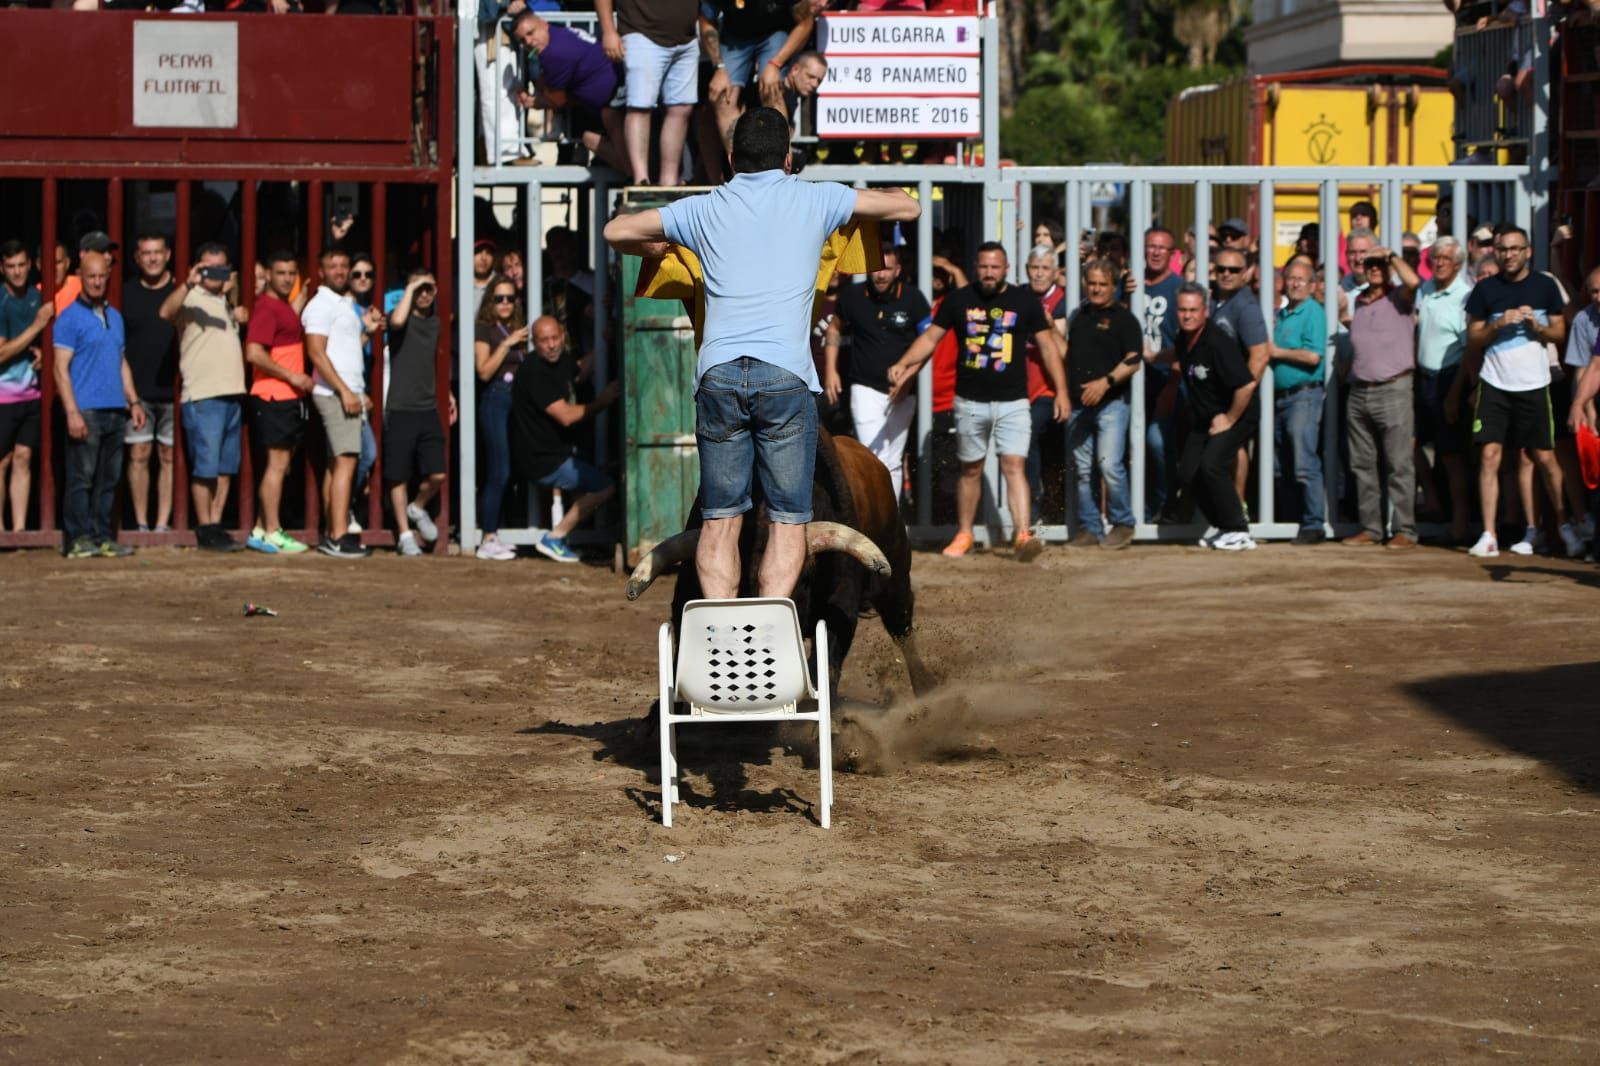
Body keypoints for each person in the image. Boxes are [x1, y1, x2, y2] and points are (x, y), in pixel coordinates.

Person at [602, 107, 920, 598]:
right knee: (791, 521)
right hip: (785, 377)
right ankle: (772, 619)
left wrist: (654, 250)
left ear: (730, 159)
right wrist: (892, 193)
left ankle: (722, 629)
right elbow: (907, 210)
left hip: (719, 377)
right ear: (788, 159)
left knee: (720, 521)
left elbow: (616, 231)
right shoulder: (818, 200)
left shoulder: (701, 208)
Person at [888, 241, 1068, 561]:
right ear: (975, 267)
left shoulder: (1024, 301)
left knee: (1015, 466)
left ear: (1006, 268)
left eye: (994, 267)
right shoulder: (958, 300)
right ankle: (965, 532)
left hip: (1014, 401)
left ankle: (1022, 534)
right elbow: (930, 338)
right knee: (971, 469)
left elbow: (1048, 348)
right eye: (983, 266)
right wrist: (904, 362)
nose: (988, 273)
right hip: (970, 401)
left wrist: (1062, 392)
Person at [1463, 225, 1583, 558]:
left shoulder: (1544, 285)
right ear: (1495, 252)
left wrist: (1538, 328)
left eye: (1516, 248)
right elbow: (1472, 337)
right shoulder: (1485, 290)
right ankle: (1489, 534)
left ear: (1528, 251)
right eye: (1503, 249)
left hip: (1535, 383)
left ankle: (1562, 525)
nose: (1509, 255)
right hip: (1494, 382)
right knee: (1489, 456)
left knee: (1545, 456)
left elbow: (1561, 332)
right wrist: (1497, 325)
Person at [54, 249, 145, 558]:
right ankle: (77, 538)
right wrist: (72, 412)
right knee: (82, 478)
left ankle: (101, 536)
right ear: (80, 277)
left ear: (108, 277)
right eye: (89, 276)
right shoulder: (69, 318)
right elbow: (59, 369)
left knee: (108, 479)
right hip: (86, 410)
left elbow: (121, 362)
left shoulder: (115, 317)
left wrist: (133, 401)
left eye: (100, 276)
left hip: (115, 409)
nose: (95, 282)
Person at [512, 315, 622, 562]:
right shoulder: (534, 371)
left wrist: (605, 343)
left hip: (559, 450)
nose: (551, 344)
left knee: (592, 472)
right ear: (534, 343)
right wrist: (602, 402)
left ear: (562, 337)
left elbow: (579, 371)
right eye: (544, 340)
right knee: (605, 487)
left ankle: (578, 538)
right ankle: (555, 537)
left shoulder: (559, 360)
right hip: (541, 458)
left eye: (555, 338)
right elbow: (566, 416)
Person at [163, 244, 247, 552]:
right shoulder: (191, 297)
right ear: (199, 267)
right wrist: (188, 282)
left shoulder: (226, 300)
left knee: (226, 467)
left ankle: (216, 523)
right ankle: (205, 527)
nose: (215, 274)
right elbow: (165, 312)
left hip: (233, 393)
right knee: (205, 466)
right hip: (203, 395)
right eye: (208, 268)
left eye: (221, 268)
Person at [823, 245, 929, 484]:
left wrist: (908, 377)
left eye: (888, 269)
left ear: (898, 270)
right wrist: (831, 370)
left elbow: (928, 342)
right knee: (873, 457)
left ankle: (893, 520)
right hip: (865, 387)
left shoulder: (913, 298)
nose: (881, 275)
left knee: (893, 460)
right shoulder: (852, 296)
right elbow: (834, 328)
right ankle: (875, 520)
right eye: (877, 269)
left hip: (903, 390)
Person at [303, 247, 380, 559]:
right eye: (332, 266)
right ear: (321, 272)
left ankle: (334, 532)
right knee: (346, 463)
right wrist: (346, 392)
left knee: (339, 465)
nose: (339, 271)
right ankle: (338, 535)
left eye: (343, 265)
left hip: (345, 392)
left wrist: (356, 390)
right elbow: (316, 352)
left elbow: (342, 350)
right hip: (334, 394)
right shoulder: (321, 304)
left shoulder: (341, 304)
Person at [1059, 258, 1141, 549]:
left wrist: (1105, 382)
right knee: (1083, 470)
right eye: (1091, 283)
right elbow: (1069, 354)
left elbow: (1134, 360)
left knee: (1109, 466)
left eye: (1102, 284)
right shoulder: (1078, 316)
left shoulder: (1125, 319)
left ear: (1114, 287)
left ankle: (1123, 523)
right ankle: (1090, 528)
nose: (1096, 289)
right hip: (1079, 405)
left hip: (1112, 404)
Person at [1344, 244, 1421, 549]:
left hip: (1393, 389)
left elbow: (1414, 282)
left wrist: (1390, 255)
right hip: (1359, 390)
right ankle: (1371, 528)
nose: (1374, 268)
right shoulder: (1359, 303)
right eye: (1369, 263)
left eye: (1380, 264)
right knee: (1362, 464)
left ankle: (1405, 529)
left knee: (1398, 463)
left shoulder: (1400, 297)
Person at [1173, 284, 1257, 551]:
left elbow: (1247, 386)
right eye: (1183, 310)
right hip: (1205, 416)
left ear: (1205, 312)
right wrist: (1150, 356)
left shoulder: (1218, 342)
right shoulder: (1182, 339)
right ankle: (1224, 527)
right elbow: (1178, 357)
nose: (1187, 316)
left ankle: (1239, 529)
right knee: (1188, 472)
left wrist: (1229, 419)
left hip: (1237, 411)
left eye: (1193, 310)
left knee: (1212, 465)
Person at [245, 250, 314, 554]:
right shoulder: (267, 308)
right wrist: (293, 376)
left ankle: (262, 529)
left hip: (284, 396)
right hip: (275, 394)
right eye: (281, 273)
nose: (286, 278)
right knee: (277, 465)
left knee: (280, 465)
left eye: (291, 273)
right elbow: (254, 353)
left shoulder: (281, 307)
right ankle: (272, 530)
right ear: (269, 275)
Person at [509, 12, 630, 177]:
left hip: (614, 105)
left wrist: (534, 102)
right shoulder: (560, 33)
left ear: (544, 24)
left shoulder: (552, 53)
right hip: (616, 99)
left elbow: (557, 101)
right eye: (523, 40)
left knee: (591, 140)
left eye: (531, 33)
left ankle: (643, 180)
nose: (529, 42)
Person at [385, 269, 453, 557]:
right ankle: (403, 534)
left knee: (438, 473)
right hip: (400, 407)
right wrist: (411, 289)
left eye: (429, 289)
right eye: (420, 289)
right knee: (398, 475)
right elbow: (397, 320)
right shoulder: (400, 319)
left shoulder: (438, 323)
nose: (424, 294)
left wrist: (447, 393)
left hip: (428, 407)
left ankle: (418, 506)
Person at [595, 0, 698, 187]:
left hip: (686, 38)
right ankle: (641, 179)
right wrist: (609, 31)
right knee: (640, 107)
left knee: (682, 108)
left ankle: (669, 181)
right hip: (641, 33)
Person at [1416, 236, 1473, 545]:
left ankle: (1461, 523)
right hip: (1422, 377)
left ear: (1459, 264)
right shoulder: (1425, 290)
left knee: (1452, 456)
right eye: (1435, 257)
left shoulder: (1465, 297)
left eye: (1445, 258)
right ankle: (1435, 503)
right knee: (1411, 441)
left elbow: (1468, 353)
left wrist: (1455, 393)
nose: (1438, 262)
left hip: (1448, 378)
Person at [120, 233, 179, 533]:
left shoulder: (179, 291)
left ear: (168, 254)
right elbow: (118, 348)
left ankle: (163, 523)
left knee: (169, 457)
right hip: (138, 392)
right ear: (137, 258)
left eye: (158, 252)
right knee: (138, 455)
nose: (153, 258)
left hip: (174, 391)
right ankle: (142, 522)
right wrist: (131, 397)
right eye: (146, 253)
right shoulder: (125, 293)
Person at [1268, 257, 1328, 543]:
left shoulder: (1313, 312)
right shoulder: (1281, 314)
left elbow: (1313, 356)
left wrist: (1277, 352)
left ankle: (1314, 523)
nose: (1294, 284)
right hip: (1279, 399)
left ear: (1312, 284)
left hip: (1303, 396)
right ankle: (1292, 521)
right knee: (1281, 466)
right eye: (1290, 278)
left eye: (1301, 279)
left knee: (1304, 462)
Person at [1210, 246, 1270, 510]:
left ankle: (1238, 508)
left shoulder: (1246, 307)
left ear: (1246, 273)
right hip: (1216, 393)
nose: (1226, 274)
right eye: (1221, 269)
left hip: (1237, 396)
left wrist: (1240, 396)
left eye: (1233, 270)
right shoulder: (1215, 300)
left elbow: (1260, 355)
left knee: (1233, 449)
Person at [0, 239, 54, 533]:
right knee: (2, 461)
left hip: (32, 393)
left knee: (24, 457)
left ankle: (19, 531)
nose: (17, 272)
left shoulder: (37, 297)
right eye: (11, 266)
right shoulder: (1, 301)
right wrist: (35, 327)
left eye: (22, 265)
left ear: (30, 265)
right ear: (2, 269)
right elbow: (1, 353)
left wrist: (43, 352)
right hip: (3, 396)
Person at [473, 274, 527, 560]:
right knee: (499, 471)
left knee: (510, 471)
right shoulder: (485, 329)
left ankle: (498, 532)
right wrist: (507, 345)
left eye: (509, 298)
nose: (505, 304)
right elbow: (483, 370)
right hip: (495, 399)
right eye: (499, 299)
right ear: (490, 302)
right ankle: (487, 537)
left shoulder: (516, 327)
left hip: (515, 403)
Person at [1135, 226, 1182, 521]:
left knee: (1156, 442)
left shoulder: (1179, 289)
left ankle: (1167, 506)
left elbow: (1185, 343)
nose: (1155, 252)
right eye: (1151, 246)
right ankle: (1141, 509)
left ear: (1172, 254)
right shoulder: (1132, 284)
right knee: (1134, 446)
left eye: (1161, 248)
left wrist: (1173, 385)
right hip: (1132, 380)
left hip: (1166, 380)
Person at [1022, 244, 1066, 528]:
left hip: (1048, 390)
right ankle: (1033, 508)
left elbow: (1062, 352)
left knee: (1035, 441)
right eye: (1035, 268)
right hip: (1018, 389)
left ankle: (1040, 508)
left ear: (1056, 272)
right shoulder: (1019, 296)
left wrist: (1048, 325)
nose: (1039, 274)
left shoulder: (1062, 300)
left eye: (1045, 269)